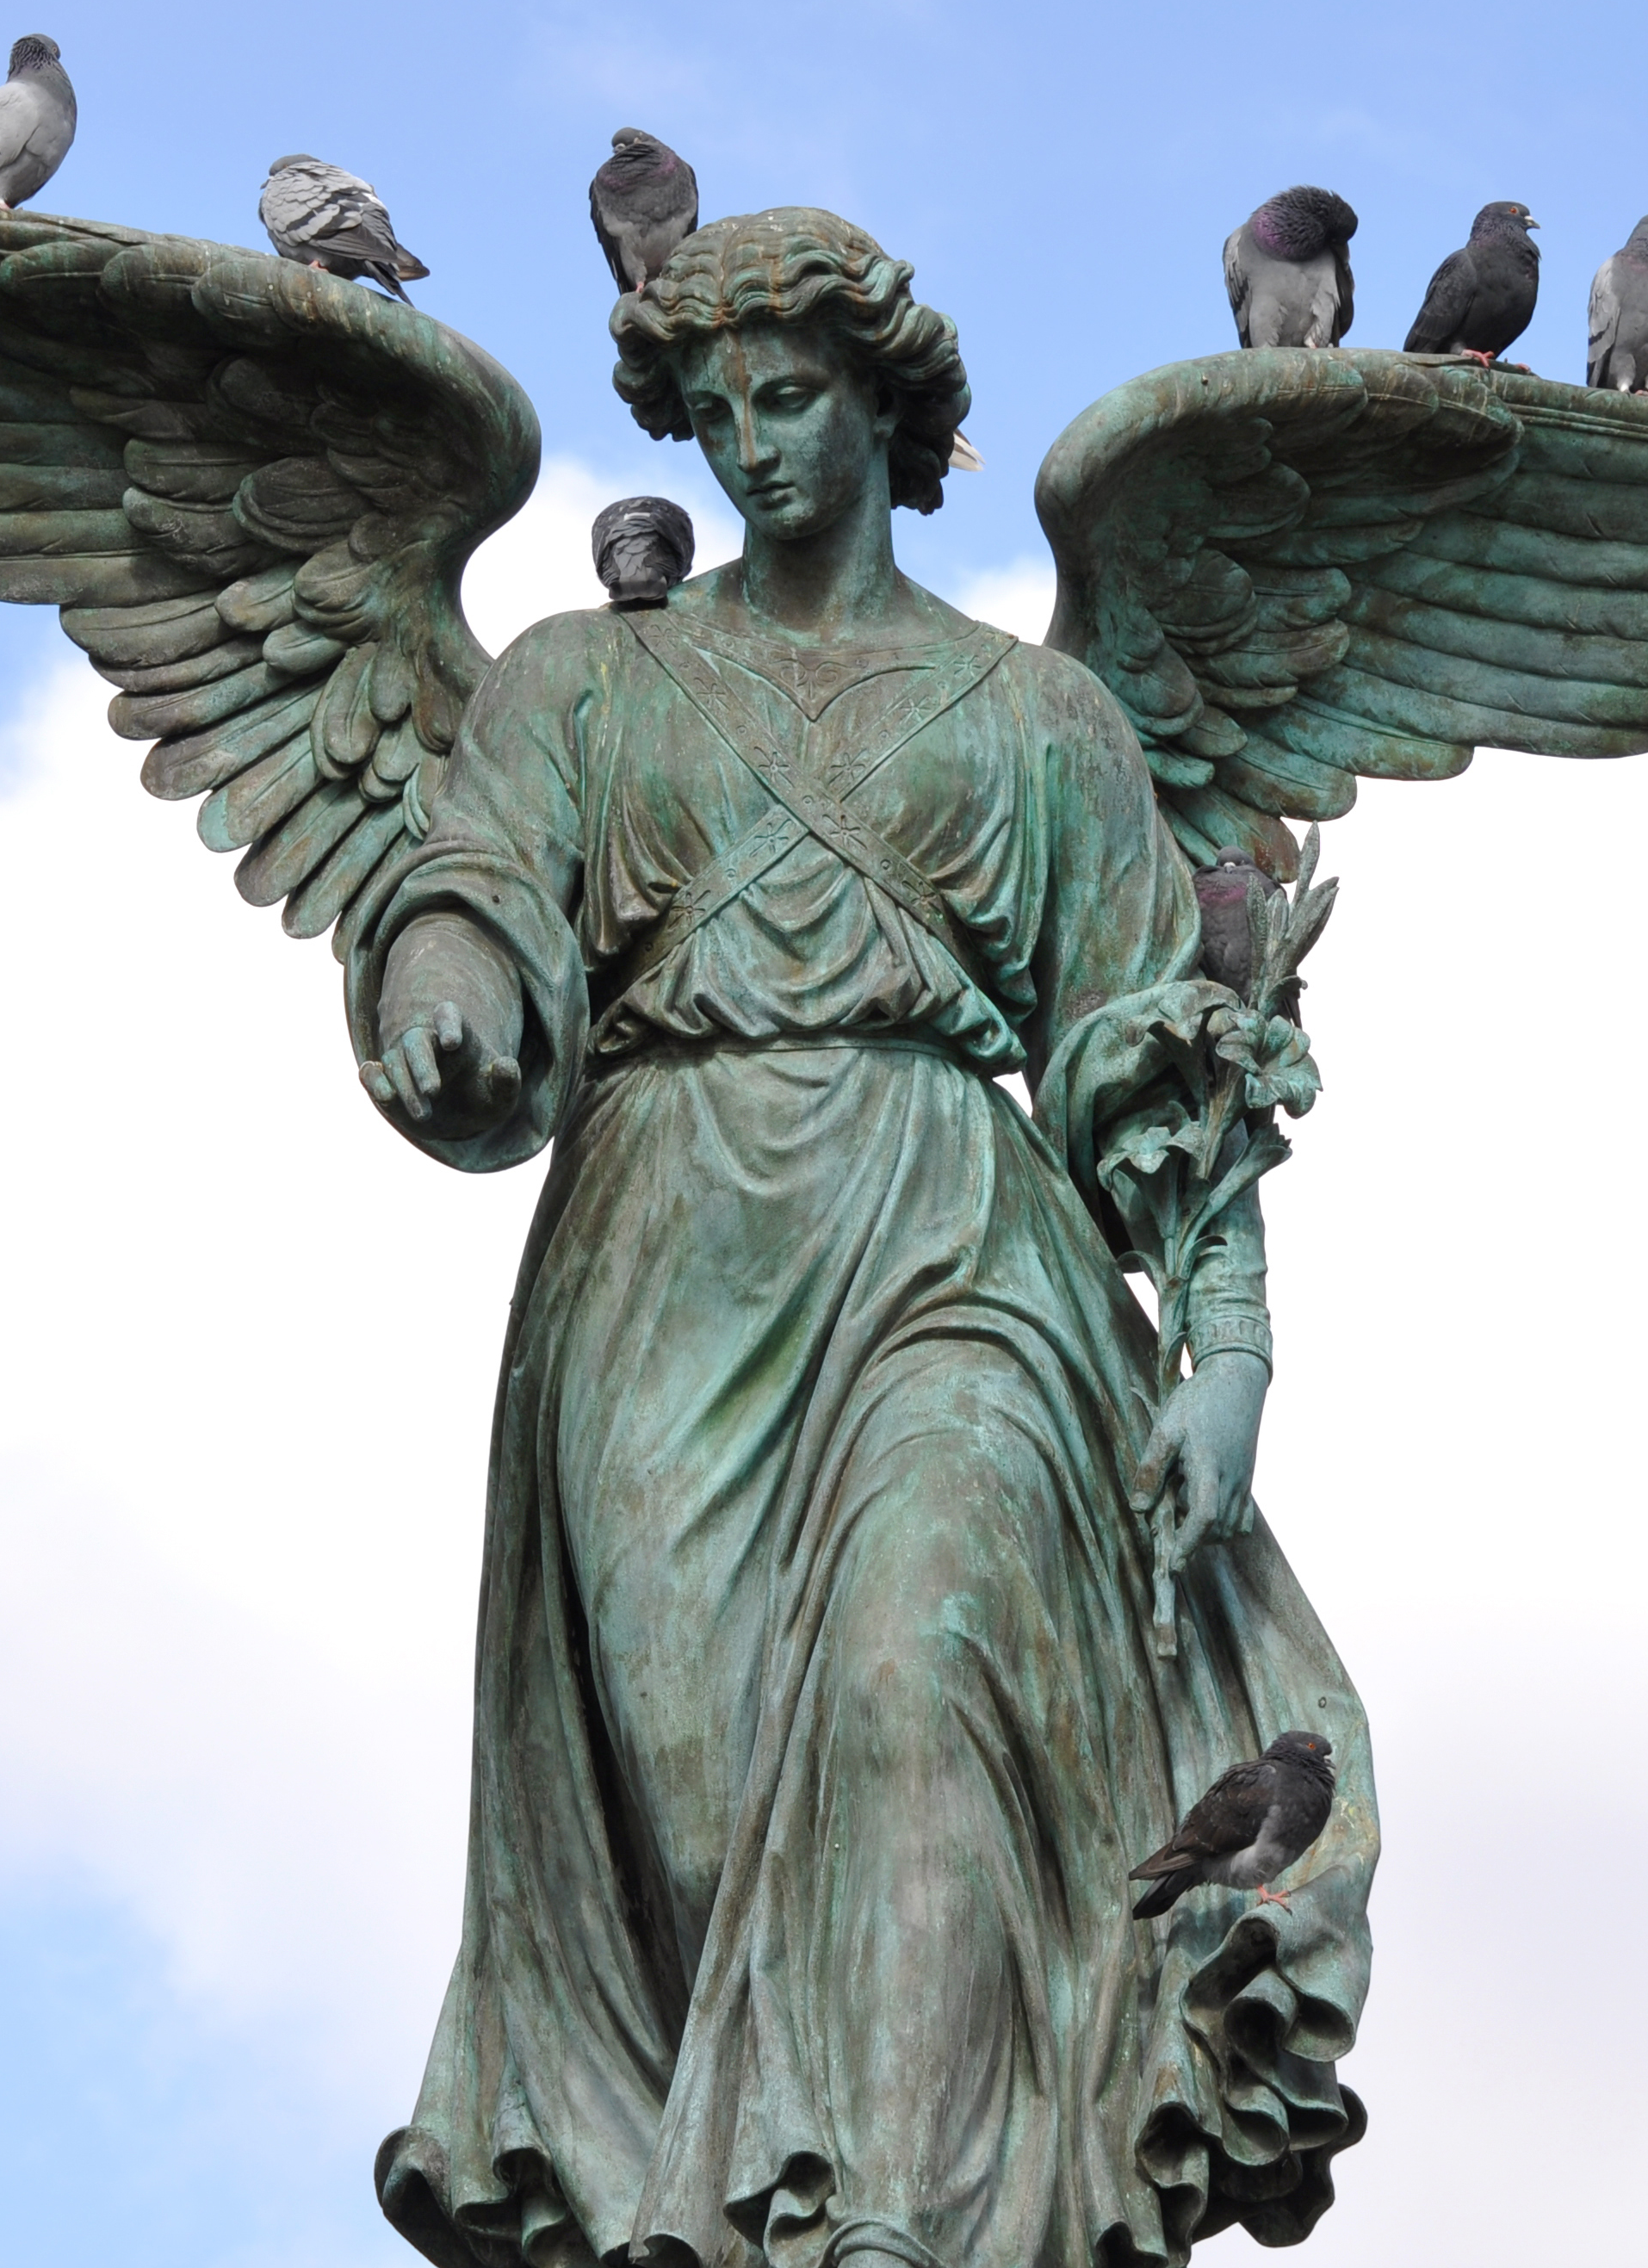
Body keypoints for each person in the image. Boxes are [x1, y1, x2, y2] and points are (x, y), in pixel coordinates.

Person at [352, 209, 1373, 2268]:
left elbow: (1140, 1053)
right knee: (714, 1805)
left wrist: (1235, 1350)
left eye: (794, 396)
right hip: (664, 1247)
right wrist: (440, 978)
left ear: (883, 406)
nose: (754, 447)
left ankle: (909, 2217)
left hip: (957, 1245)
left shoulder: (1036, 719)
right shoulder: (580, 682)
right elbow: (467, 875)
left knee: (925, 1675)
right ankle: (757, 2208)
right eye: (716, 413)